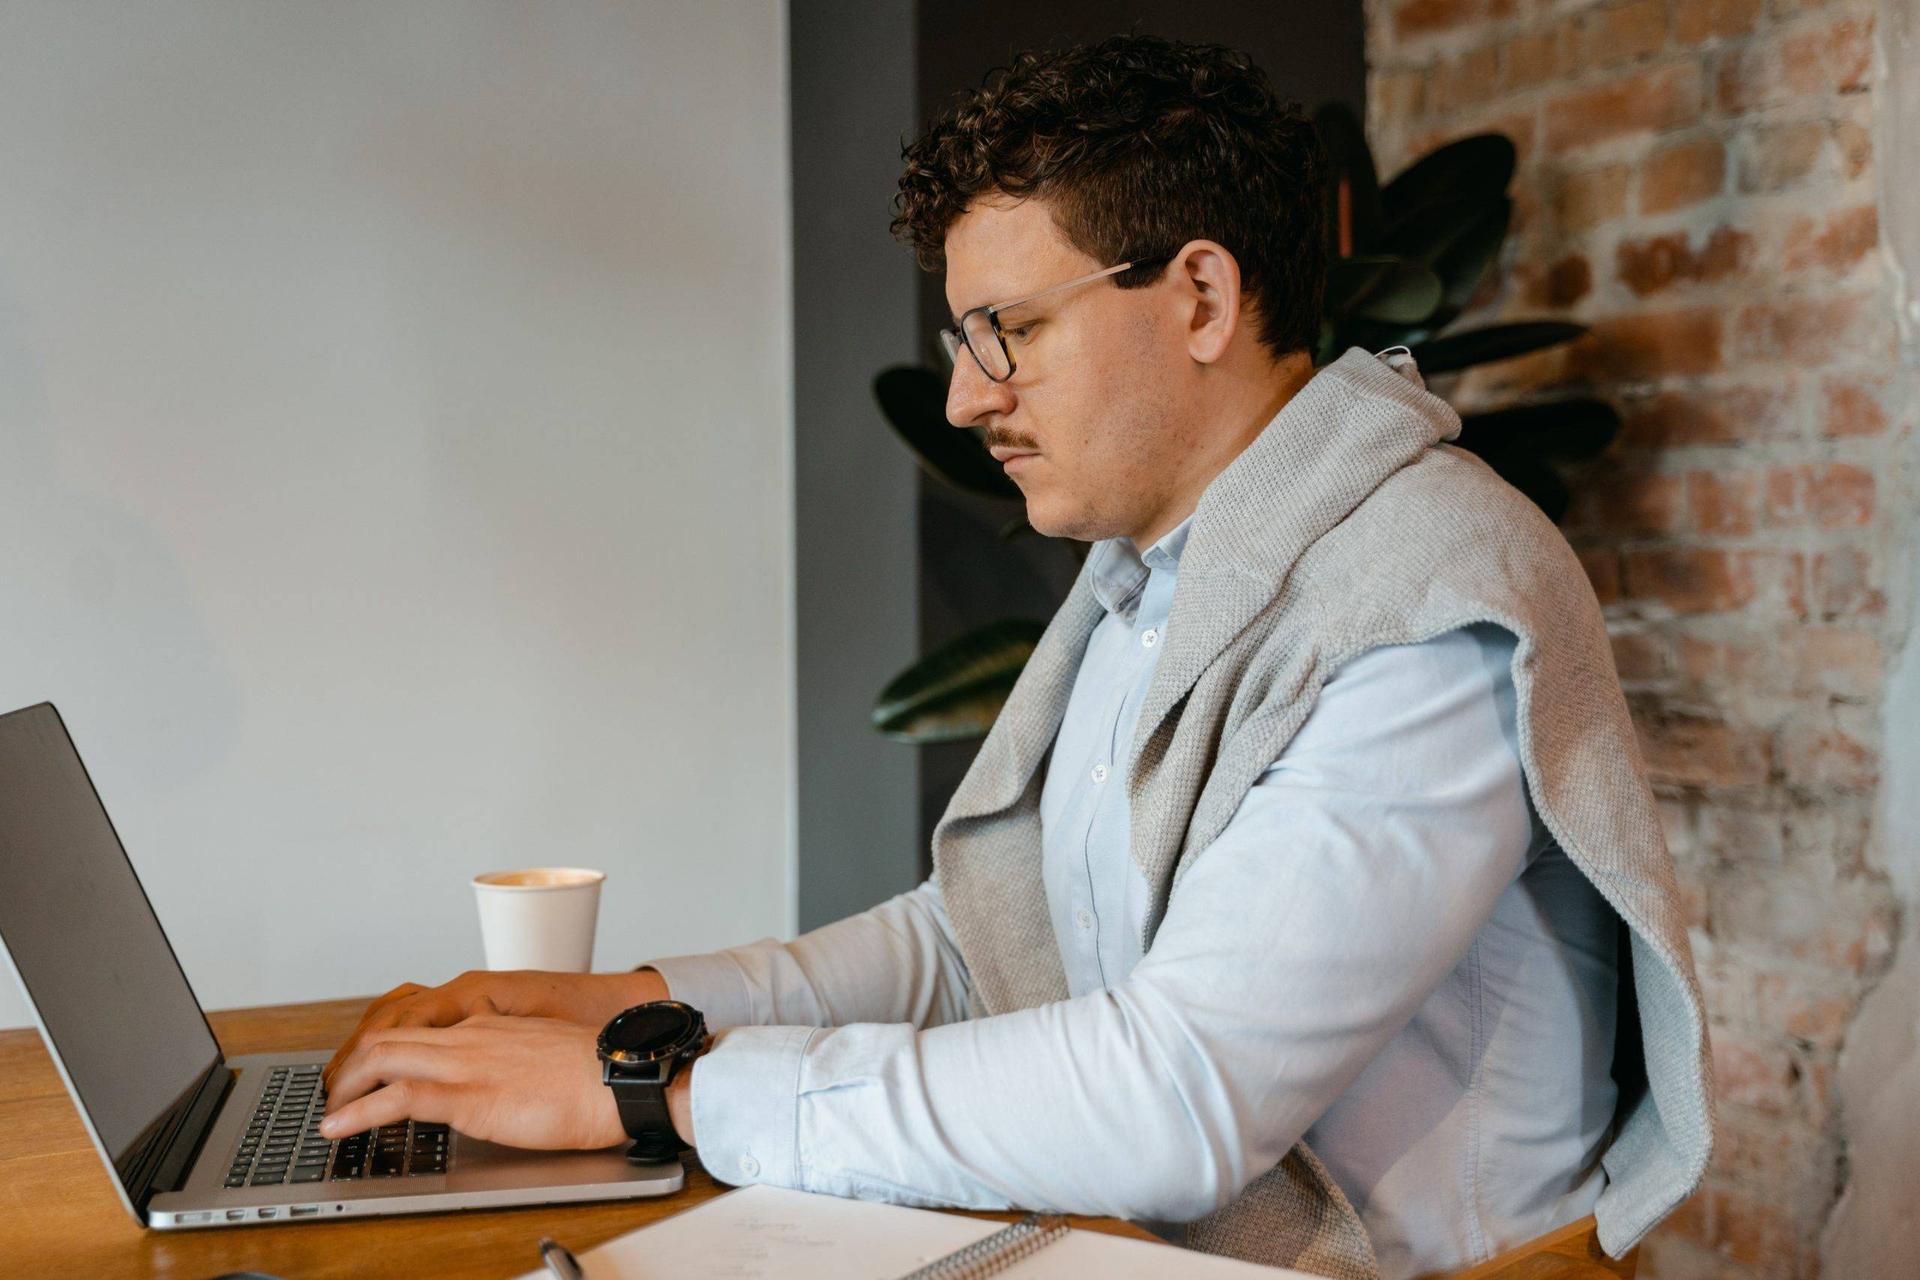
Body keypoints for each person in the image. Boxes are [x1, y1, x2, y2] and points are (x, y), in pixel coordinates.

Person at [320, 34, 1712, 1280]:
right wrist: (640, 1005)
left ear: (1204, 297)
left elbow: (1181, 1097)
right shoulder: (1158, 576)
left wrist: (652, 1090)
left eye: (1014, 331)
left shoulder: (1425, 605)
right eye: (964, 338)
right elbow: (982, 939)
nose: (965, 395)